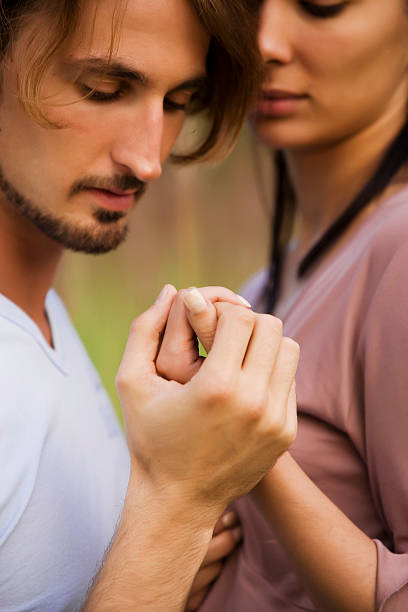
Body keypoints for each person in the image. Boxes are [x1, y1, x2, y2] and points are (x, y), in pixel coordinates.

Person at [0, 1, 301, 610]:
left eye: (177, 102)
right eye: (103, 89)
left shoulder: (38, 317)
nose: (148, 159)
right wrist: (176, 507)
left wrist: (147, 568)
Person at [168, 0, 408, 610]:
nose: (264, 43)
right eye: (245, 7)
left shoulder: (401, 247)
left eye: (321, 6)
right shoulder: (266, 283)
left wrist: (255, 456)